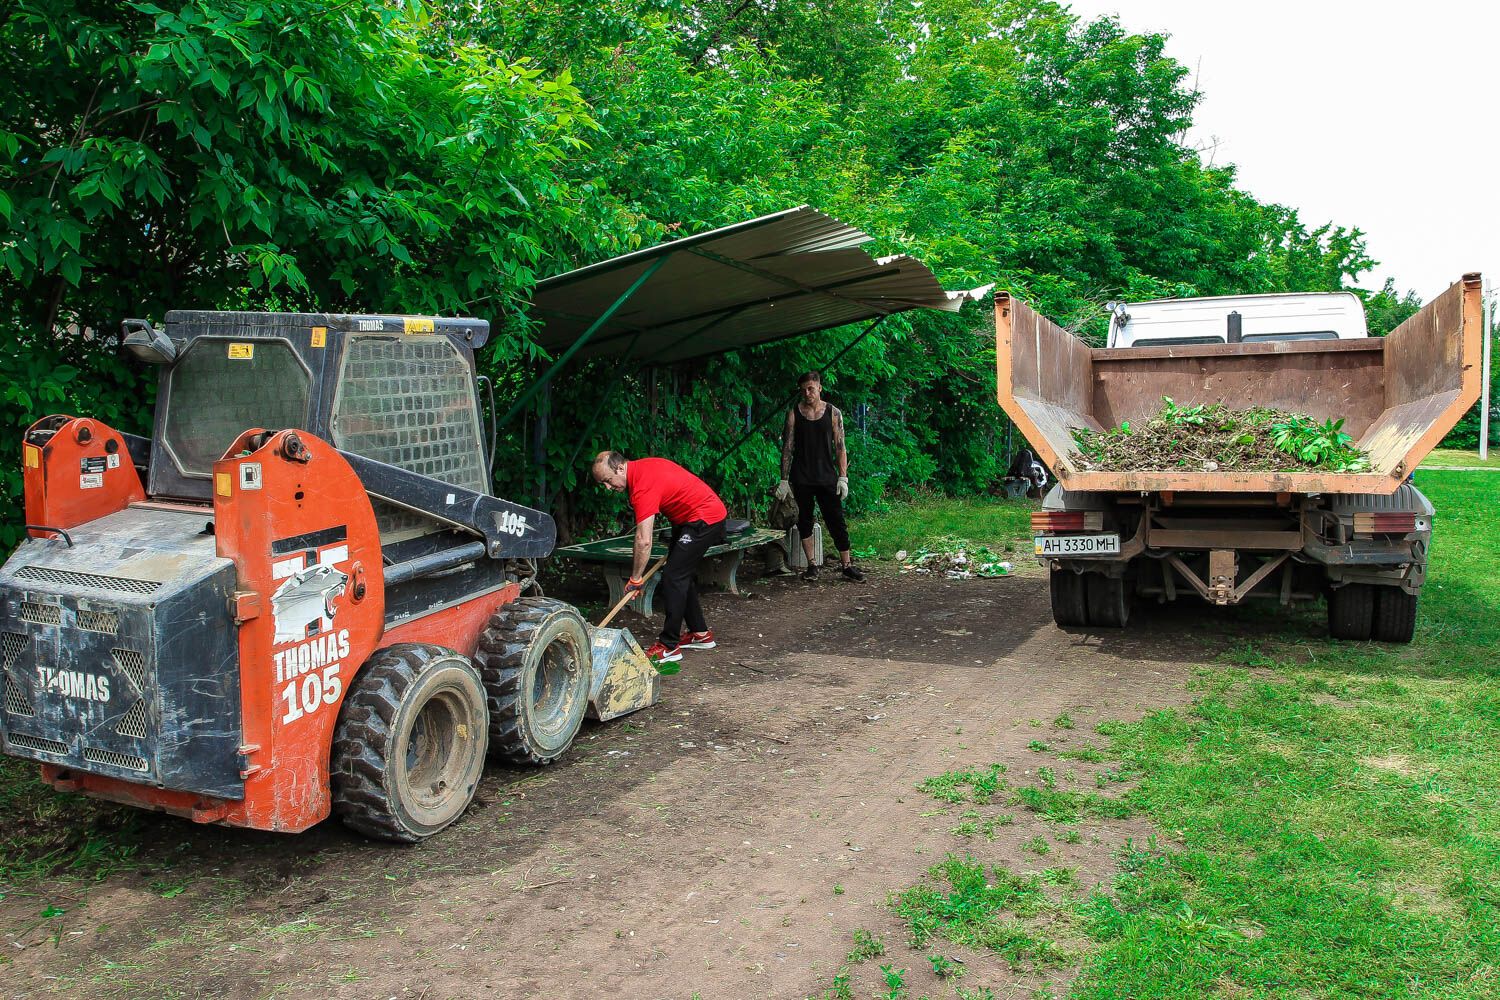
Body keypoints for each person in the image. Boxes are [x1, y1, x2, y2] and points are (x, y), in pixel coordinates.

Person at [592, 451, 728, 663]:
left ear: (620, 468)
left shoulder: (642, 486)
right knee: (679, 574)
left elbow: (644, 540)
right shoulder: (640, 470)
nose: (608, 487)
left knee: (674, 577)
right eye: (603, 484)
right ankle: (700, 633)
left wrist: (636, 578)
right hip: (686, 519)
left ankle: (668, 646)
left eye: (608, 480)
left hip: (704, 518)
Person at [774, 371, 864, 582]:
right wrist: (784, 479)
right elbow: (787, 448)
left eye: (811, 388)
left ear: (820, 388)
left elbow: (840, 446)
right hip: (802, 476)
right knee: (804, 521)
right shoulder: (794, 413)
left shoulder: (833, 412)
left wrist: (843, 477)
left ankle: (847, 565)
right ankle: (812, 565)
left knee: (836, 521)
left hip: (826, 476)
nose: (807, 393)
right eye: (804, 389)